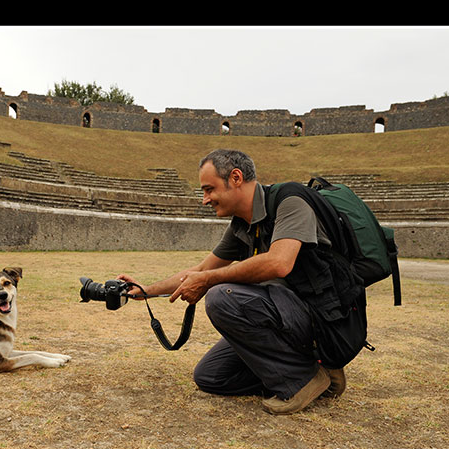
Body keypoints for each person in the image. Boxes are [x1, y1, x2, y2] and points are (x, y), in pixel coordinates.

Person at [118, 149, 352, 415]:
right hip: (282, 316)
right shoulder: (243, 224)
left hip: (320, 318)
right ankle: (315, 370)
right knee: (212, 377)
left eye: (209, 189)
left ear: (236, 178)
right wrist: (146, 291)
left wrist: (207, 281)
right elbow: (201, 269)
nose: (205, 200)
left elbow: (279, 262)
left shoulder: (291, 201)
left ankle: (301, 381)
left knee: (221, 296)